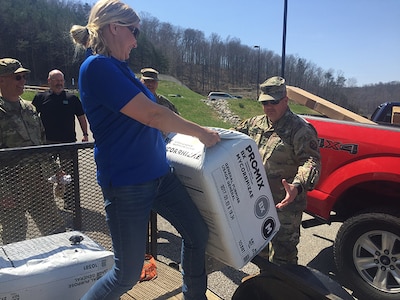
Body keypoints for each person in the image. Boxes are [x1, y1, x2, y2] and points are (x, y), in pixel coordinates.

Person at [69, 1, 220, 299]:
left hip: (160, 176)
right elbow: (153, 115)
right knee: (125, 275)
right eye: (134, 31)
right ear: (114, 27)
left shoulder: (120, 68)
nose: (136, 41)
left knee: (197, 235)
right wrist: (202, 133)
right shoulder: (97, 67)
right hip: (128, 185)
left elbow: (153, 115)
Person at [233, 76, 321, 275]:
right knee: (260, 251)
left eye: (274, 101)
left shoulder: (300, 129)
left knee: (284, 257)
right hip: (258, 201)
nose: (269, 106)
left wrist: (297, 185)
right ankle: (266, 284)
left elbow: (311, 161)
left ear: (285, 100)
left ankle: (284, 291)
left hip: (285, 205)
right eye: (265, 102)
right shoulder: (255, 124)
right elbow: (230, 138)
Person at [0, 58, 65, 244]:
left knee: (57, 232)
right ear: (1, 80)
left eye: (24, 77)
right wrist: (2, 191)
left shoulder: (30, 109)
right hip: (12, 186)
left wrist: (56, 169)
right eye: (17, 77)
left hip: (40, 182)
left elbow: (42, 145)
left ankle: (62, 270)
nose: (23, 82)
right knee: (15, 239)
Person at [32, 69, 89, 210]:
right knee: (46, 173)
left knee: (69, 174)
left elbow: (81, 117)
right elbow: (31, 118)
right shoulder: (40, 98)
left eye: (61, 80)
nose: (59, 83)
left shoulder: (72, 98)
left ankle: (69, 201)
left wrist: (85, 134)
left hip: (68, 143)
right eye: (56, 80)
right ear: (49, 81)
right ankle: (47, 203)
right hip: (47, 143)